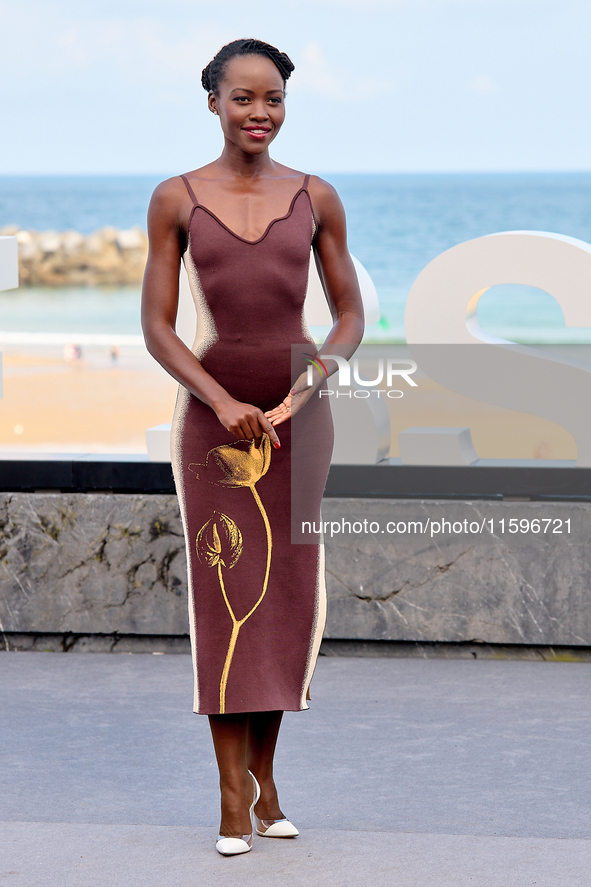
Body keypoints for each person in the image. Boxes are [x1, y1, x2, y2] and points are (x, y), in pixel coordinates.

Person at [141, 37, 364, 856]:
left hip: (298, 423)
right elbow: (158, 328)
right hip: (211, 425)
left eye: (272, 98)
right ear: (213, 104)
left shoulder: (316, 197)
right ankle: (230, 796)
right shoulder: (175, 198)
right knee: (225, 595)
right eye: (242, 98)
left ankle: (267, 782)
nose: (258, 112)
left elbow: (347, 316)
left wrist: (307, 387)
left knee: (283, 599)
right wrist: (224, 399)